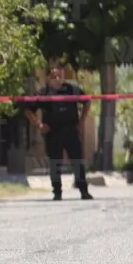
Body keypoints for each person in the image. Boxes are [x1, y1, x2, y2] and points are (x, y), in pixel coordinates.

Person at [25, 63, 94, 201]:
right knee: (55, 163)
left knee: (77, 162)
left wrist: (82, 120)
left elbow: (87, 101)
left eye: (59, 75)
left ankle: (83, 191)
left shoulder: (72, 89)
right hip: (53, 132)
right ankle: (57, 192)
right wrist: (39, 125)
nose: (56, 78)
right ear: (48, 78)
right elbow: (27, 110)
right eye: (53, 76)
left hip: (71, 130)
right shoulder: (43, 93)